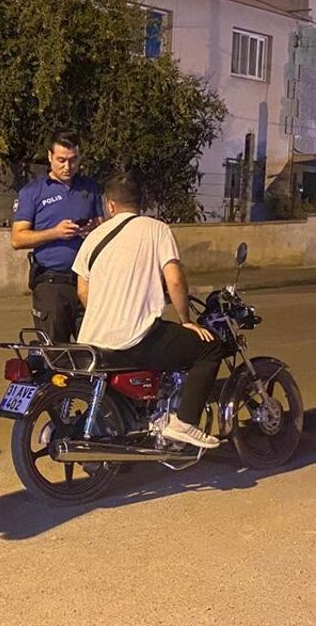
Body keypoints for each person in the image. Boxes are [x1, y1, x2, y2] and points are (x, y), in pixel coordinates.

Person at [72, 172, 222, 450]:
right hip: (137, 339)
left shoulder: (93, 236)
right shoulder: (157, 230)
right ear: (142, 202)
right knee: (210, 348)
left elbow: (82, 290)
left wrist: (107, 312)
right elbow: (174, 280)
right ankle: (184, 423)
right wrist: (187, 320)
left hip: (92, 339)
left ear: (110, 205)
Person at [11, 131, 103, 343]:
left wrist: (93, 230)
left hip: (87, 282)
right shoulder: (33, 192)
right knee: (54, 350)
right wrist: (55, 232)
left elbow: (103, 227)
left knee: (95, 348)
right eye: (61, 160)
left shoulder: (90, 188)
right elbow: (17, 239)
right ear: (50, 156)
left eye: (73, 160)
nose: (67, 167)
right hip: (51, 283)